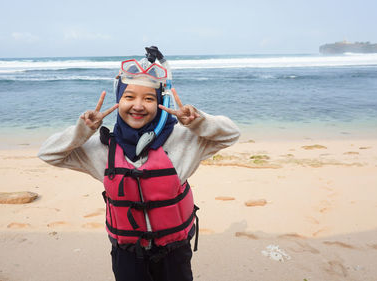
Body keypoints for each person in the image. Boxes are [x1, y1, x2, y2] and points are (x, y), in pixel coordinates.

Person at [38, 47, 240, 281]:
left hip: (174, 252)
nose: (138, 105)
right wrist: (82, 131)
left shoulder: (183, 140)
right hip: (127, 254)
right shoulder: (102, 148)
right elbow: (48, 154)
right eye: (129, 97)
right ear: (118, 100)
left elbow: (231, 135)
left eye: (149, 98)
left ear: (159, 103)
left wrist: (198, 122)